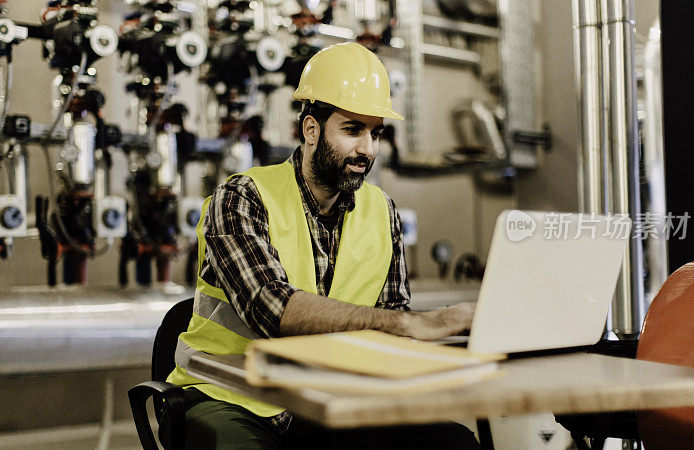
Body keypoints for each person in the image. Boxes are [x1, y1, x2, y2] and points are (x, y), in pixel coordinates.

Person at [163, 42, 480, 449]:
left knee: (450, 443)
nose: (367, 149)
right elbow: (272, 309)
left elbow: (391, 330)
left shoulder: (383, 212)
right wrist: (408, 324)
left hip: (329, 400)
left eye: (376, 133)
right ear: (311, 128)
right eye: (352, 130)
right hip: (233, 398)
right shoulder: (242, 198)